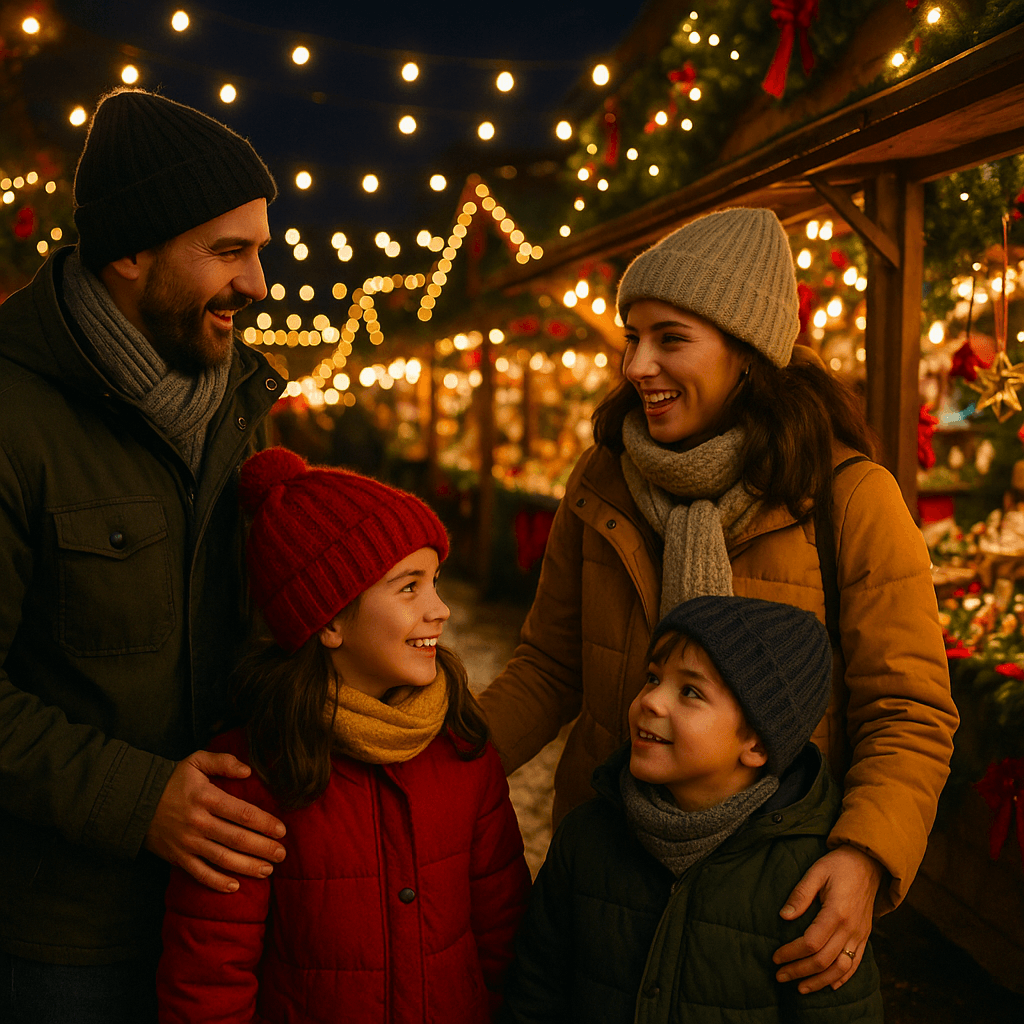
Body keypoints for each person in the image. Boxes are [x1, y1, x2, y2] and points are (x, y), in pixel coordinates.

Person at [478, 206, 959, 994]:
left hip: (771, 897)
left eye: (671, 338)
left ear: (748, 353)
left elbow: (908, 708)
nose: (636, 365)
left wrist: (865, 854)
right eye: (632, 337)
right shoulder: (601, 482)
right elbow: (547, 666)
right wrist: (432, 769)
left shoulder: (851, 501)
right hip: (603, 877)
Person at [0, 89, 286, 1021]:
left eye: (260, 250)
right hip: (61, 939)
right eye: (228, 251)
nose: (257, 285)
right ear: (129, 251)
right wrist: (141, 800)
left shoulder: (231, 405)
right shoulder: (14, 416)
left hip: (222, 919)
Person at [156, 448, 532, 1023]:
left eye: (435, 581)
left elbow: (506, 940)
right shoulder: (248, 776)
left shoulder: (462, 750)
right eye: (409, 587)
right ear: (328, 620)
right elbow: (209, 977)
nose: (441, 609)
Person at [501, 596, 884, 1023]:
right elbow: (535, 992)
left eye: (690, 691)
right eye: (652, 678)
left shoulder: (807, 880)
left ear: (756, 743)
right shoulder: (586, 837)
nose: (650, 701)